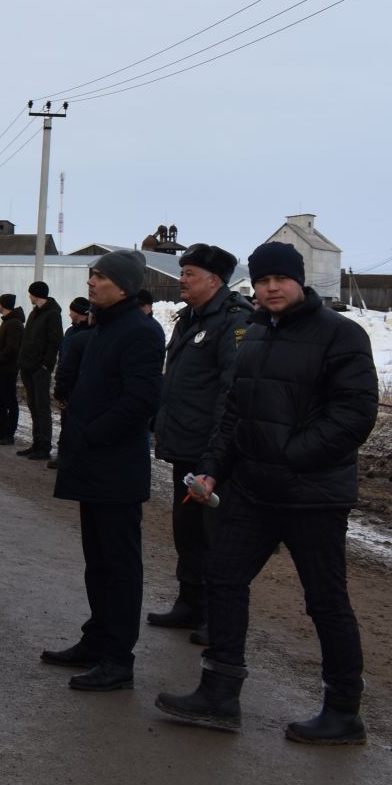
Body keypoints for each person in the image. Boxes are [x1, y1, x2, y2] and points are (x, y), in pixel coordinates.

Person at [155, 241, 379, 744]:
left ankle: (344, 709)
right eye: (262, 280)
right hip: (253, 491)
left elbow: (354, 414)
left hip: (313, 496)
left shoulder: (341, 336)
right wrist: (212, 469)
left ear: (300, 282)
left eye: (280, 278)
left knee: (325, 600)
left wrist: (289, 455)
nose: (271, 287)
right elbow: (235, 413)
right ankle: (219, 693)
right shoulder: (255, 335)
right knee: (224, 577)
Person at [40, 249, 162, 692]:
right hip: (93, 465)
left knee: (119, 566)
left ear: (124, 287)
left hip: (115, 468)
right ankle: (97, 640)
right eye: (91, 275)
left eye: (101, 277)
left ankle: (118, 660)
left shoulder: (141, 332)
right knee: (98, 563)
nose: (91, 283)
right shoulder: (103, 327)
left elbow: (141, 401)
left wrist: (90, 433)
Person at [146, 243, 250, 644]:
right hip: (185, 446)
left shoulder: (234, 321)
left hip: (213, 453)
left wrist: (215, 454)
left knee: (215, 536)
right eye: (182, 272)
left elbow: (231, 392)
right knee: (187, 530)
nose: (182, 280)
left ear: (215, 280)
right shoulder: (188, 318)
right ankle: (191, 603)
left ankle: (217, 616)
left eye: (189, 273)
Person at [17, 281, 63, 461]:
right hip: (27, 367)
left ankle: (44, 447)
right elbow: (28, 339)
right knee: (33, 406)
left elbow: (55, 342)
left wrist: (46, 366)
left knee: (42, 408)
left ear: (37, 294)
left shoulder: (52, 315)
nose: (29, 296)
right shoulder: (34, 313)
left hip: (39, 369)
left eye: (31, 293)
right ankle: (36, 443)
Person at [48, 296, 93, 470]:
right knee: (65, 422)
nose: (69, 313)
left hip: (78, 385)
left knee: (75, 424)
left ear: (79, 313)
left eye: (72, 310)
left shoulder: (87, 335)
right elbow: (63, 359)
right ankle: (63, 455)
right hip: (66, 383)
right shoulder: (70, 332)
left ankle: (74, 458)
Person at [0, 293, 25, 444]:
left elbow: (12, 348)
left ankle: (9, 435)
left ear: (3, 305)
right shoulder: (8, 321)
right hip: (2, 369)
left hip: (8, 369)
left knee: (9, 401)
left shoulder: (13, 323)